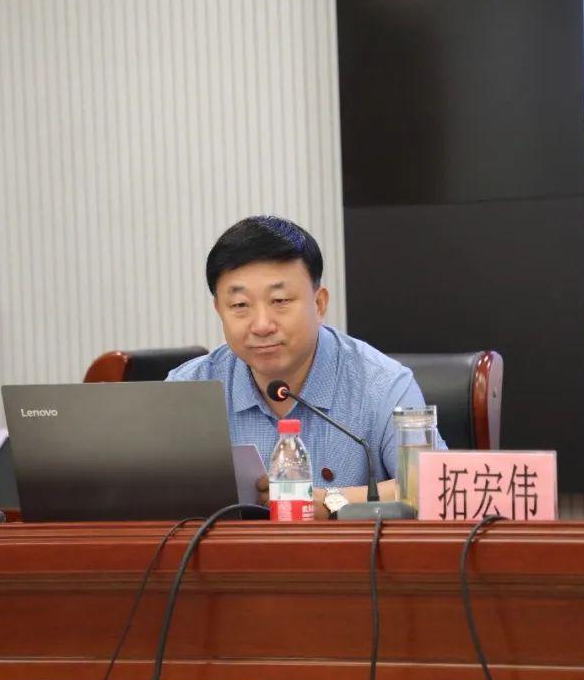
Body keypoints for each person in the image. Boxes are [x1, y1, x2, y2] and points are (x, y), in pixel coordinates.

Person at [167, 215, 445, 518]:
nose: (262, 325)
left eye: (280, 300)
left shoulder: (383, 385)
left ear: (319, 303)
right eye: (240, 305)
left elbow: (435, 489)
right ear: (219, 310)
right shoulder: (188, 389)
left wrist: (329, 502)